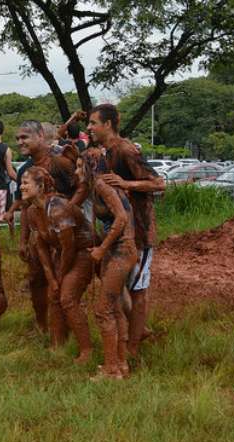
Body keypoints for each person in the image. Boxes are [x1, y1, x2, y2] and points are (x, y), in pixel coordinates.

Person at [87, 104, 165, 359]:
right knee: (117, 285)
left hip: (139, 233)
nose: (89, 127)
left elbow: (158, 183)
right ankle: (137, 332)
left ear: (107, 125)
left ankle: (133, 348)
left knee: (137, 290)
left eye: (93, 123)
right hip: (118, 232)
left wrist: (127, 183)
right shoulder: (104, 152)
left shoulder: (125, 149)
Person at [19, 166, 94, 362]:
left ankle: (87, 351)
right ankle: (57, 345)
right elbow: (41, 247)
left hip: (84, 252)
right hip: (63, 253)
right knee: (53, 294)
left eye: (26, 183)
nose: (21, 187)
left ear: (41, 186)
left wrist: (60, 277)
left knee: (67, 297)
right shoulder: (32, 213)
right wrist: (51, 278)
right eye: (21, 183)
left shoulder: (58, 208)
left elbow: (70, 248)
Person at [81, 147, 138, 380]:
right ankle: (121, 364)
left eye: (78, 166)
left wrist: (102, 249)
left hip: (121, 252)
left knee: (102, 310)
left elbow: (122, 218)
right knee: (114, 308)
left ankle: (111, 369)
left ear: (90, 167)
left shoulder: (102, 186)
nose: (76, 171)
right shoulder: (97, 187)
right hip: (115, 251)